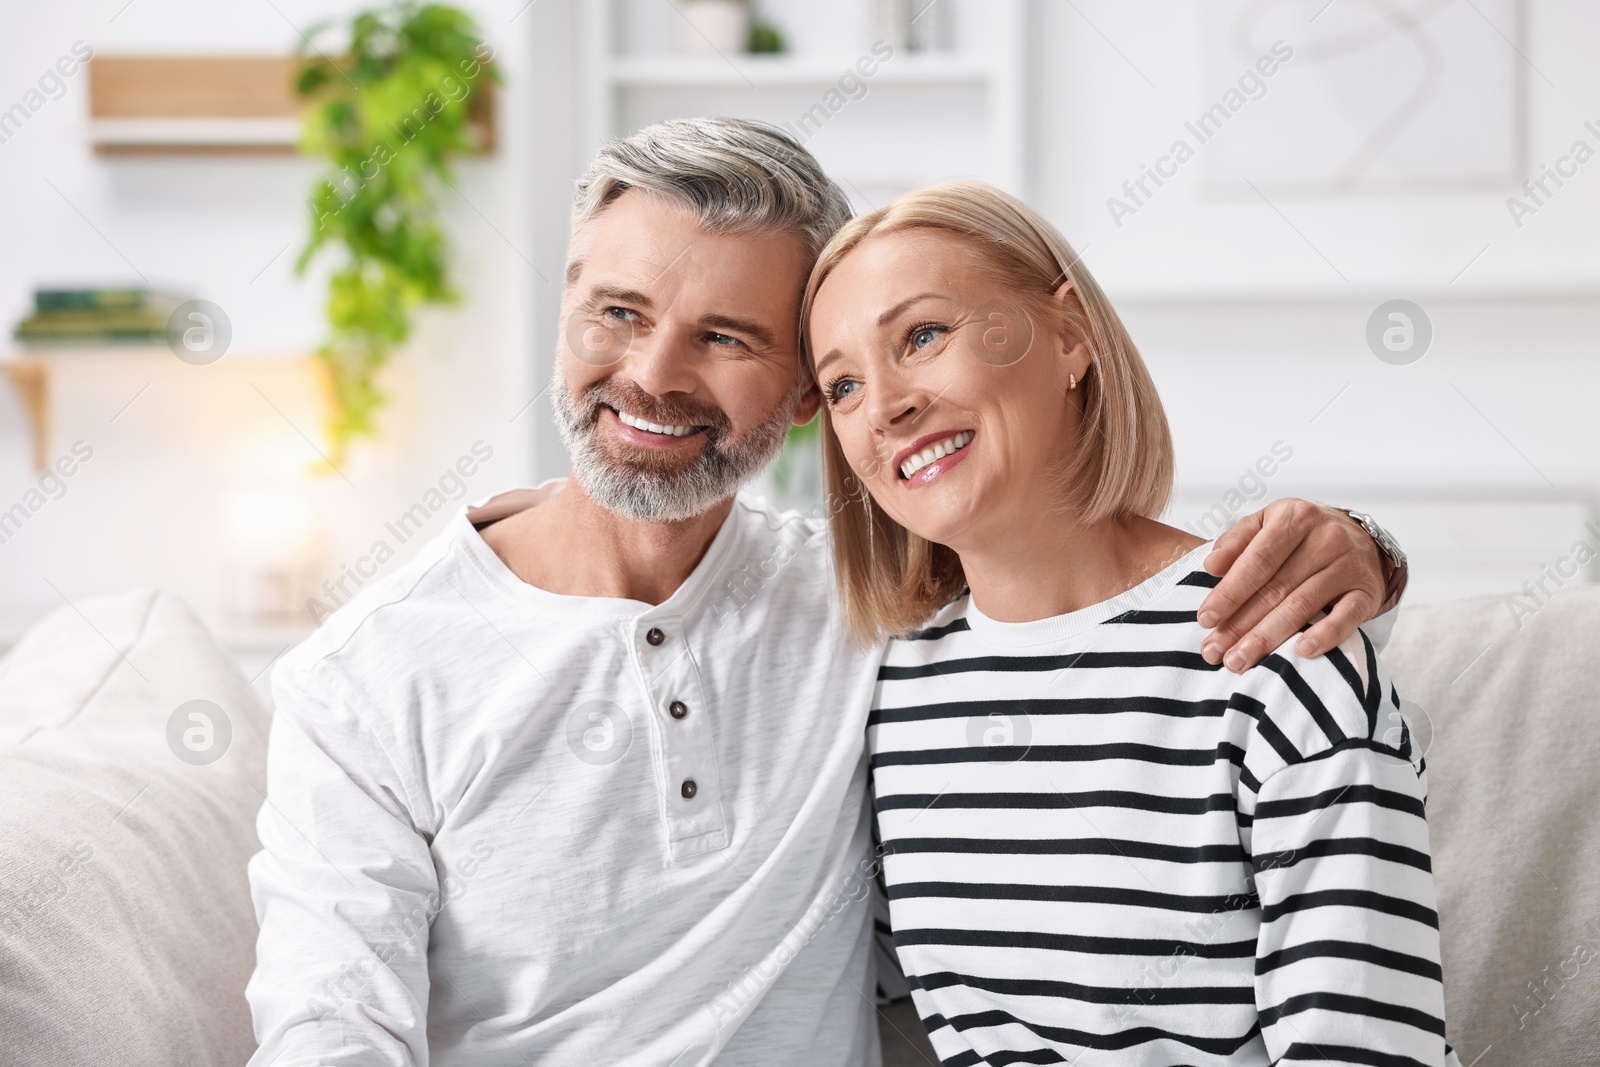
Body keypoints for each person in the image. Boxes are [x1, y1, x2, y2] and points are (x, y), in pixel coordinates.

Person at [246, 119, 1405, 1066]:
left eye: (726, 337)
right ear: (565, 306)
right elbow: (328, 1027)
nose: (652, 374)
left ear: (801, 396)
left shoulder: (872, 602)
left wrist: (1357, 548)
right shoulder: (362, 677)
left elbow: (1088, 587)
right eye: (619, 311)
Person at [803, 179, 1460, 1066]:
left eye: (923, 335)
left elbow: (1367, 1047)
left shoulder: (1268, 634)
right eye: (842, 385)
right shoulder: (889, 685)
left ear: (1068, 335)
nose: (884, 406)